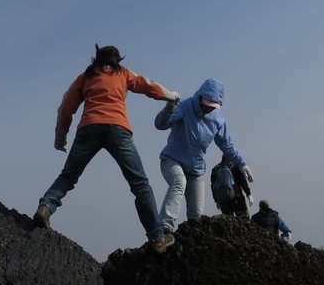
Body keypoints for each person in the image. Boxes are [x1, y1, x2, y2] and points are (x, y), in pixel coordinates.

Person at [33, 45, 180, 254]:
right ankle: (157, 238)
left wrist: (61, 140)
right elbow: (148, 87)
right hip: (117, 129)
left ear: (97, 58)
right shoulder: (124, 73)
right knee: (140, 184)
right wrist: (171, 96)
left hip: (88, 128)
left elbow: (66, 108)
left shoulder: (86, 76)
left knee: (68, 176)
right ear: (117, 60)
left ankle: (47, 205)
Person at [154, 78, 253, 233]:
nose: (208, 108)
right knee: (179, 182)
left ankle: (190, 241)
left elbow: (227, 145)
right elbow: (161, 125)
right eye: (206, 103)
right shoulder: (184, 106)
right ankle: (164, 227)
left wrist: (241, 163)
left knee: (196, 216)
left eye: (212, 106)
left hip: (196, 169)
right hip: (172, 160)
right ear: (200, 96)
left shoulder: (217, 120)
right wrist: (169, 108)